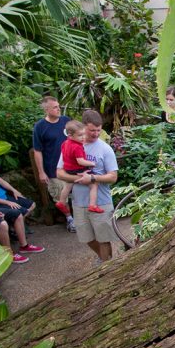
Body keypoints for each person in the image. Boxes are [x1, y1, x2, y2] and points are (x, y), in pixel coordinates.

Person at [56, 110, 122, 262]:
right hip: (79, 202)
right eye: (92, 130)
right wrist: (79, 179)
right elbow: (59, 173)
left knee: (104, 238)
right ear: (83, 127)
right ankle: (103, 259)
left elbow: (113, 176)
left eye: (99, 130)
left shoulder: (105, 149)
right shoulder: (69, 145)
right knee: (86, 238)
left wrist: (92, 178)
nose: (96, 134)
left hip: (101, 201)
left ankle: (106, 266)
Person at [32, 95, 75, 232]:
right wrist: (41, 172)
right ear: (47, 109)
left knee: (78, 193)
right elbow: (37, 151)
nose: (58, 109)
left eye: (58, 106)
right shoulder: (40, 127)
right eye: (55, 107)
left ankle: (81, 218)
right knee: (60, 196)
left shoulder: (66, 121)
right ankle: (70, 219)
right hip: (53, 169)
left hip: (72, 166)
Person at [54, 120, 103, 214]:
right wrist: (91, 163)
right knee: (94, 184)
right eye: (80, 135)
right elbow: (80, 161)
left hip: (68, 169)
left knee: (67, 186)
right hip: (78, 169)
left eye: (83, 134)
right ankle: (92, 205)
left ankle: (61, 202)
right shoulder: (77, 146)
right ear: (70, 135)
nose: (83, 137)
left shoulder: (65, 143)